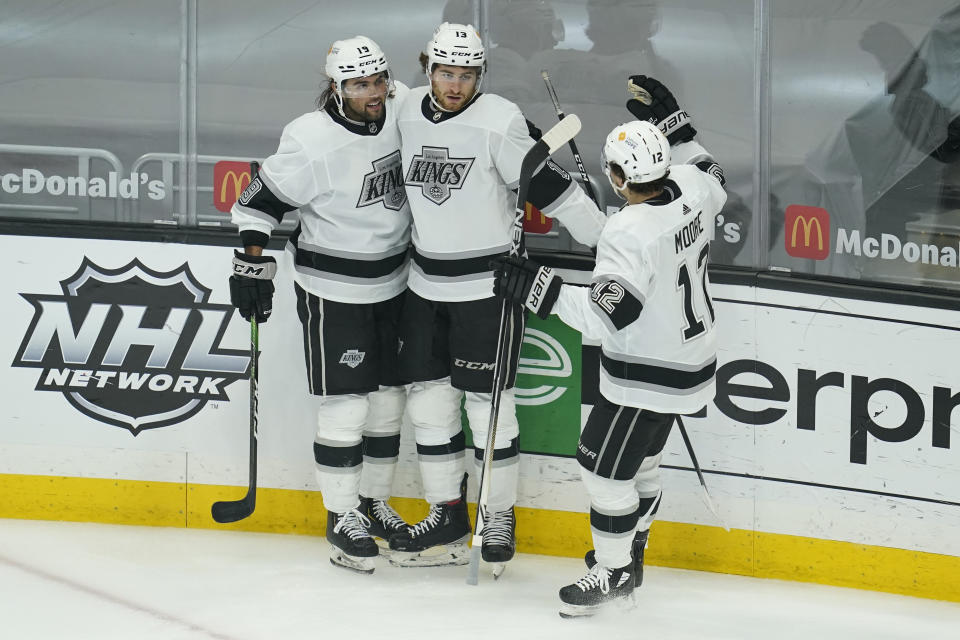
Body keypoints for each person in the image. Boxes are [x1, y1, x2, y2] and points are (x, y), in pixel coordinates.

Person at [492, 76, 727, 616]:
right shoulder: (690, 185)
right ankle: (633, 544)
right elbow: (713, 172)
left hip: (646, 372)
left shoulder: (629, 232)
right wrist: (679, 127)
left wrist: (537, 288)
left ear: (618, 177)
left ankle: (614, 570)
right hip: (691, 363)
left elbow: (606, 317)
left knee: (601, 468)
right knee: (642, 463)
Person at [388, 22, 607, 570]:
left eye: (467, 75)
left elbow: (555, 190)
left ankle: (497, 514)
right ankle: (447, 514)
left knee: (491, 409)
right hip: (422, 286)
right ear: (427, 68)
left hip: (487, 289)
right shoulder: (405, 109)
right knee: (430, 406)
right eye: (445, 72)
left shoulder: (499, 122)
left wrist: (610, 242)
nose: (455, 84)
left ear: (479, 74)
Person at [228, 36, 412, 574]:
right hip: (335, 290)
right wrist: (250, 266)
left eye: (378, 80)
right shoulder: (310, 140)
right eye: (359, 85)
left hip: (396, 280)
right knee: (348, 405)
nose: (373, 92)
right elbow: (258, 202)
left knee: (386, 404)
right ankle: (341, 515)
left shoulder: (403, 104)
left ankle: (373, 504)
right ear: (336, 87)